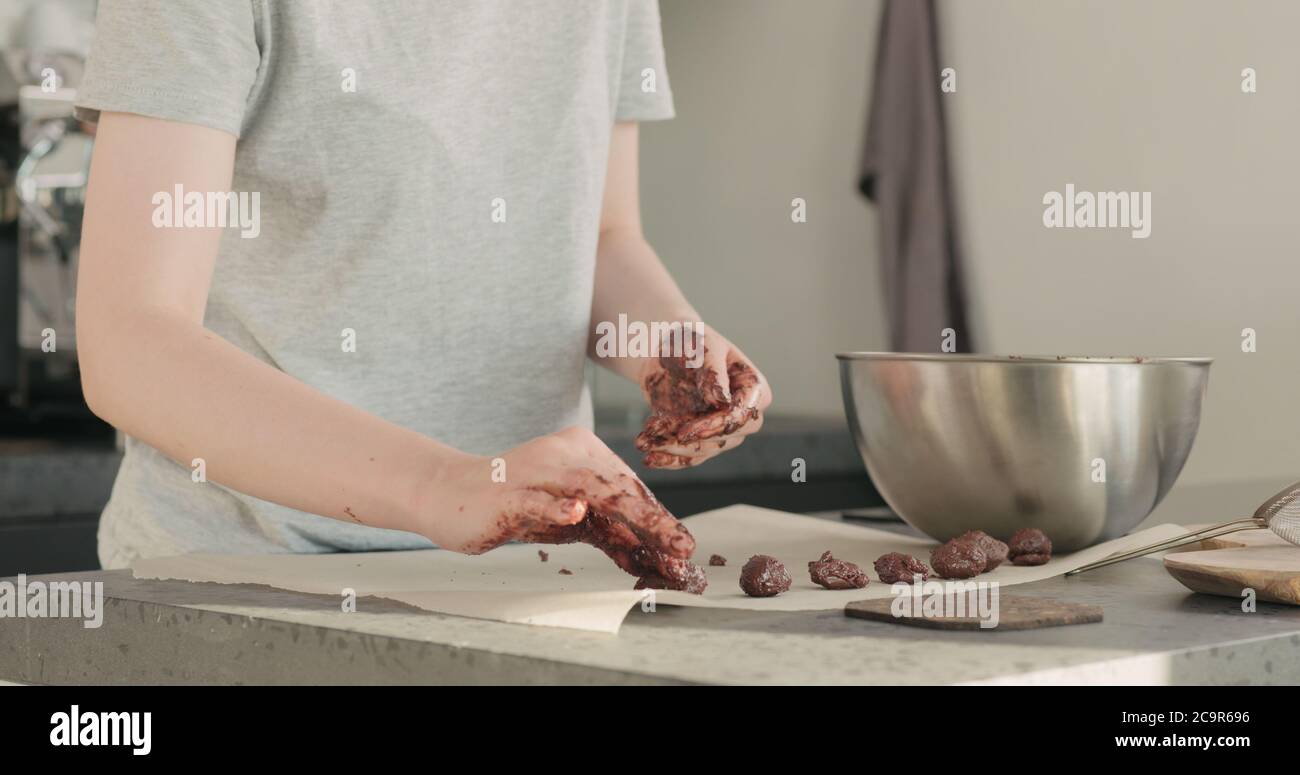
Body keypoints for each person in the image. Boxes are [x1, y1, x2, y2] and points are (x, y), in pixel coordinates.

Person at [72, 0, 770, 575]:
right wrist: (439, 483)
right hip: (242, 579)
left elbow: (599, 236)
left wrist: (671, 346)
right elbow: (132, 340)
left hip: (529, 579)